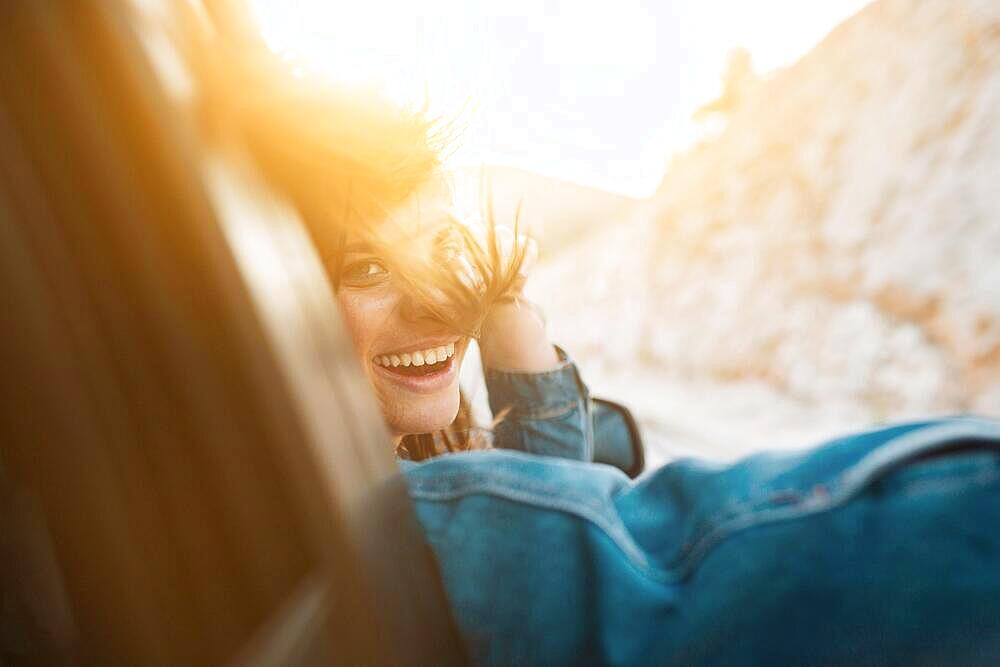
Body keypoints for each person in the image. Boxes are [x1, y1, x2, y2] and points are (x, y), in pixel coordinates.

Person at [192, 23, 1000, 666]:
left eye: (443, 256)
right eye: (370, 266)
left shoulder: (376, 478)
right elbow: (651, 561)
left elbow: (548, 502)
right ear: (265, 283)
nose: (438, 305)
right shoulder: (398, 534)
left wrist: (509, 317)